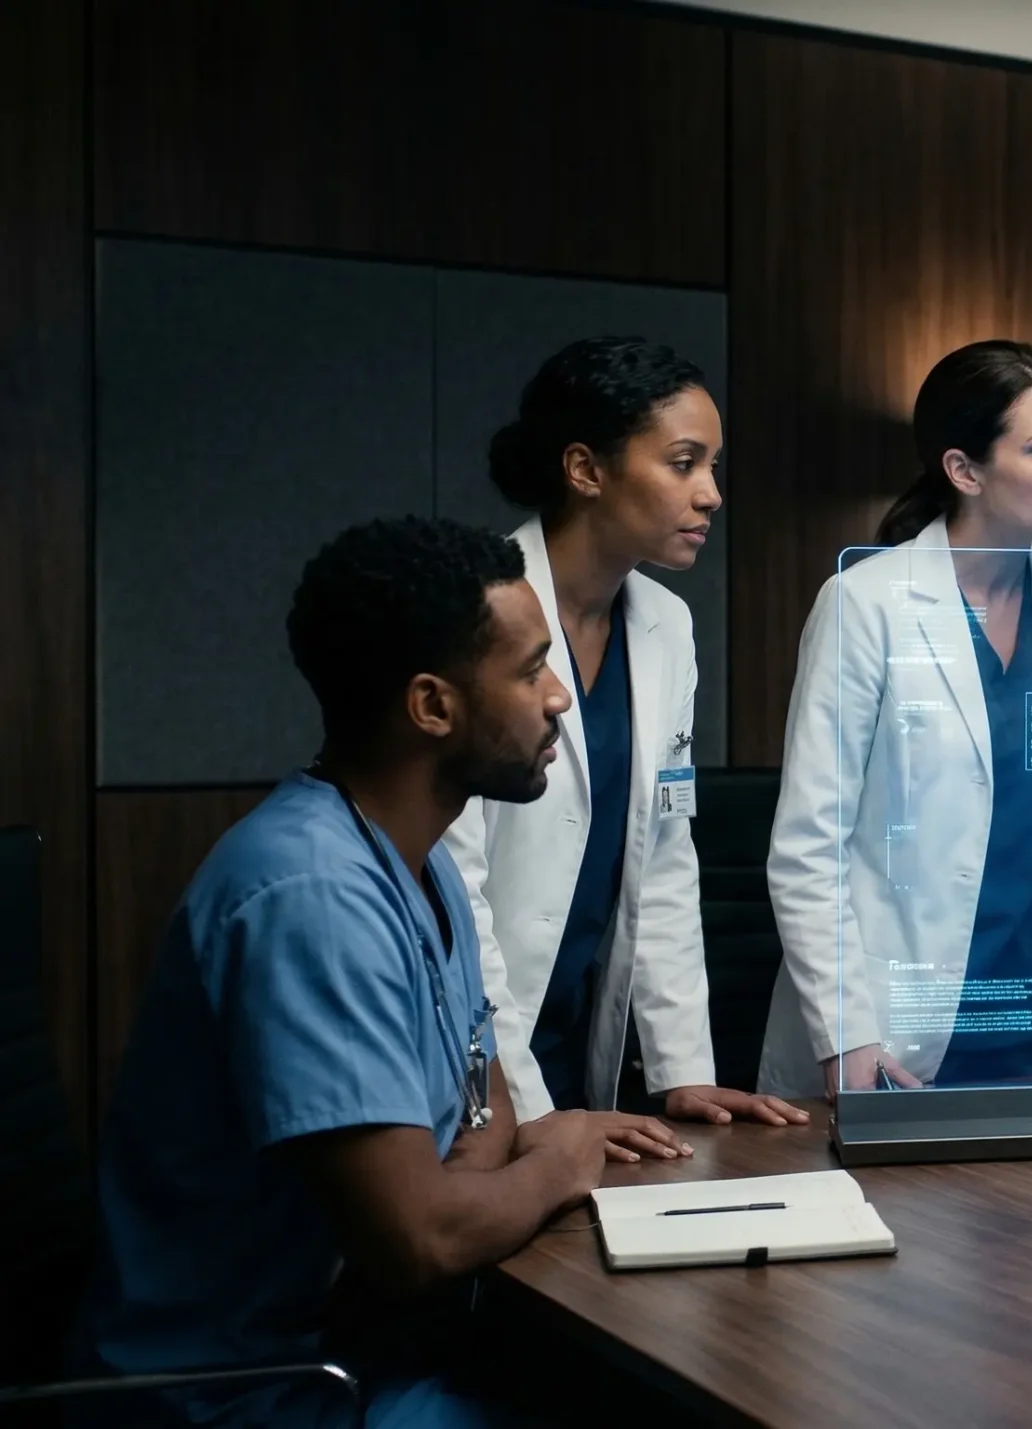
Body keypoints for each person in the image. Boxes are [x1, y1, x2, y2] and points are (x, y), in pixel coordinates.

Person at [71, 518, 691, 1427]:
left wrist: (472, 1178)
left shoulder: (420, 858)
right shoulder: (309, 894)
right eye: (528, 670)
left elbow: (483, 1112)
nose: (559, 695)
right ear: (433, 706)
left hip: (375, 1347)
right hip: (252, 1393)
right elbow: (421, 1236)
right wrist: (558, 1163)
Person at [444, 338, 803, 1130]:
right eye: (683, 463)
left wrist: (684, 1070)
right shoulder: (472, 607)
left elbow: (666, 855)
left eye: (714, 466)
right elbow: (454, 895)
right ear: (585, 469)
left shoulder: (667, 625)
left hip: (577, 1042)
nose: (711, 493)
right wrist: (527, 1114)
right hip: (474, 1047)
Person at [760, 340, 1032, 1094]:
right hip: (884, 1033)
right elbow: (807, 846)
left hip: (1031, 1027)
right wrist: (846, 1035)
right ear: (964, 470)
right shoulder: (866, 602)